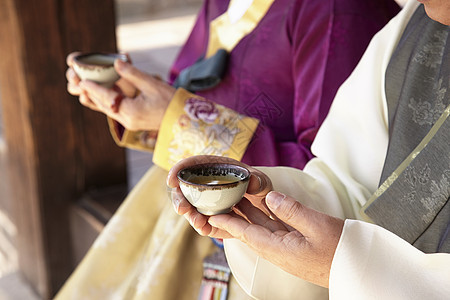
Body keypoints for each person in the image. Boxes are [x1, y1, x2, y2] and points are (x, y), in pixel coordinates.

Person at [56, 0, 400, 299]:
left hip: (268, 242)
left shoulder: (337, 9)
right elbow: (188, 88)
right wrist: (137, 101)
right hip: (188, 209)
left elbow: (328, 172)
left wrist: (180, 118)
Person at [167, 0, 450, 299]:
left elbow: (307, 148)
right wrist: (269, 203)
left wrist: (348, 268)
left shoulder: (334, 9)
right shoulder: (414, 27)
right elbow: (347, 182)